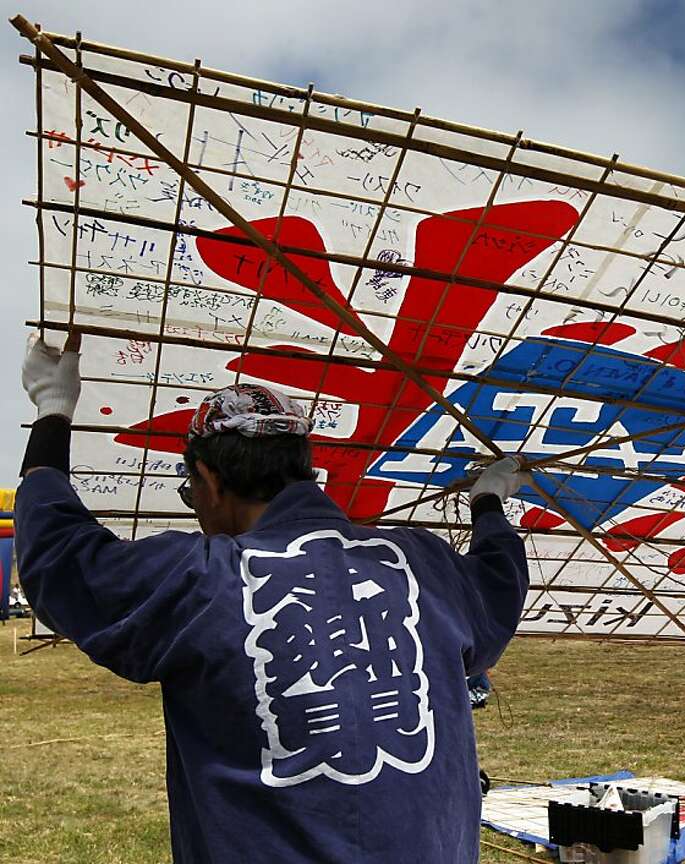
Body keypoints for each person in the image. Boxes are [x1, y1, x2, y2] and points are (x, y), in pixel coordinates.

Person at [16, 335, 530, 864]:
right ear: (303, 472)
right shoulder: (422, 563)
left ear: (210, 480)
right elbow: (499, 587)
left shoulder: (201, 578)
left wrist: (53, 409)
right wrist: (488, 503)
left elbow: (60, 560)